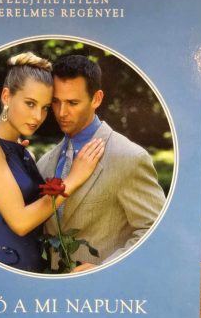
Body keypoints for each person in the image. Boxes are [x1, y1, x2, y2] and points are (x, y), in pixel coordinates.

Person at [0, 52, 104, 273]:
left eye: (45, 107)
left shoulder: (23, 153)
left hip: (33, 271)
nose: (38, 116)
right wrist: (73, 179)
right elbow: (21, 222)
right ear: (6, 96)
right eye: (30, 103)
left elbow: (42, 214)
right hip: (0, 269)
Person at [37, 54, 166, 271]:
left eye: (73, 103)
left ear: (96, 99)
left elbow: (156, 232)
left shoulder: (130, 157)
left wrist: (105, 268)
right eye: (56, 102)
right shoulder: (44, 163)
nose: (61, 113)